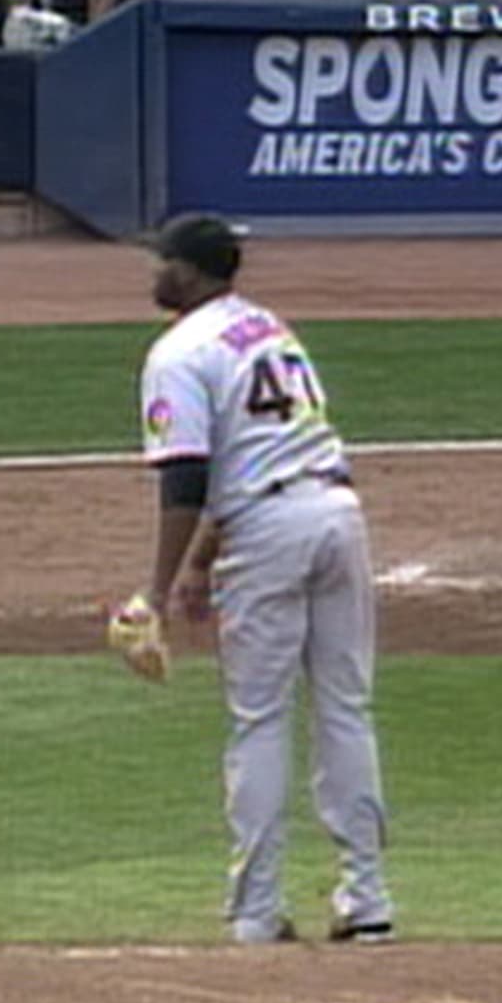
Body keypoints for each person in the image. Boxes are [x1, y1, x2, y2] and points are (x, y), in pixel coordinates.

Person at [129, 211, 396, 948]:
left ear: (190, 271)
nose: (153, 273)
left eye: (161, 261)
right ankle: (367, 901)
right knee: (346, 709)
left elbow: (187, 479)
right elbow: (259, 454)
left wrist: (158, 588)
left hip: (269, 534)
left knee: (259, 719)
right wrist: (204, 561)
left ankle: (255, 911)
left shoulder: (178, 350)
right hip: (338, 514)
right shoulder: (265, 326)